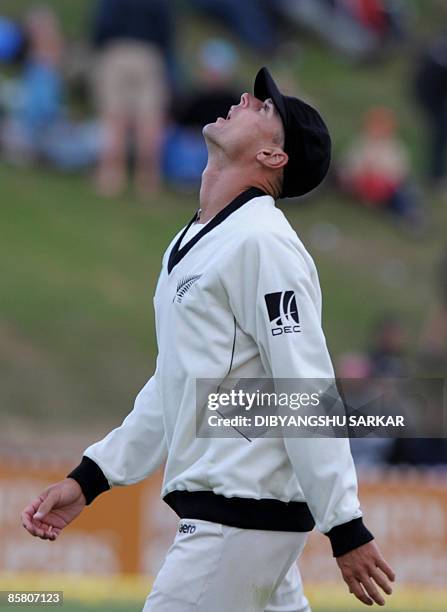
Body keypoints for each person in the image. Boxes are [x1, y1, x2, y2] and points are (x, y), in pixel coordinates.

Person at [21, 67, 395, 611]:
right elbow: (176, 385)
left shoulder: (265, 243)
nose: (246, 98)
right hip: (241, 524)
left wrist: (346, 525)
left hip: (239, 521)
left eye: (264, 109)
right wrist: (91, 478)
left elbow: (305, 387)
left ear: (273, 157)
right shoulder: (193, 241)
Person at [91, 0, 173, 196]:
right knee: (149, 120)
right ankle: (147, 181)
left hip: (116, 52)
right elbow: (167, 29)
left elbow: (102, 23)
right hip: (149, 54)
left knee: (114, 119)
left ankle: (110, 178)